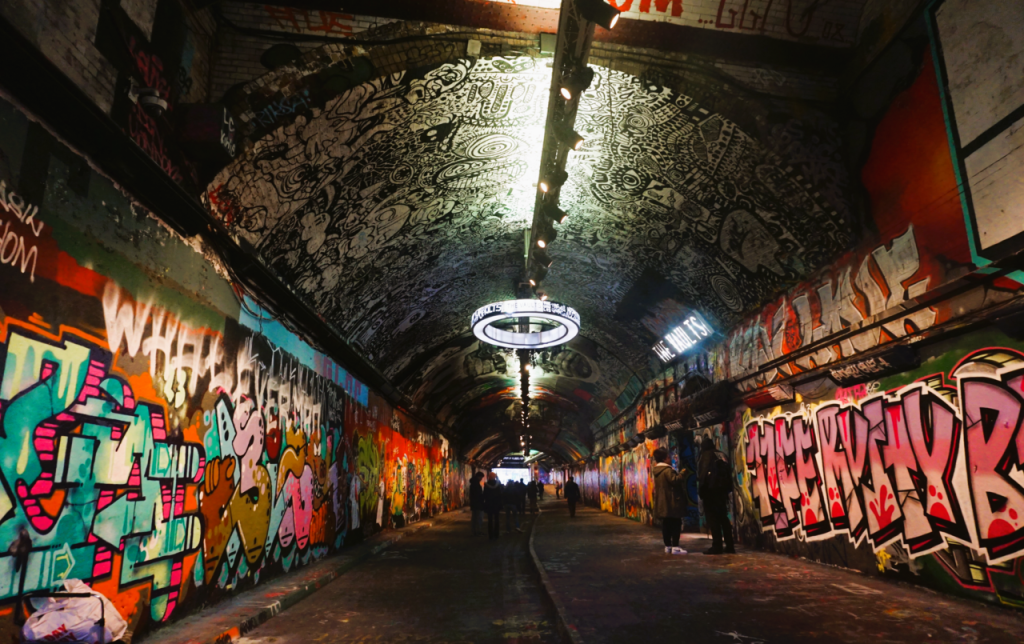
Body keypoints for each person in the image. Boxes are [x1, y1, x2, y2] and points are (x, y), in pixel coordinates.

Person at [698, 439, 735, 555]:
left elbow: (703, 475)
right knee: (723, 519)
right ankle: (730, 545)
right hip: (722, 492)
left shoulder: (705, 456)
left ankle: (717, 546)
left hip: (710, 492)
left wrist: (702, 492)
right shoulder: (721, 454)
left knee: (713, 520)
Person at [652, 447, 687, 555]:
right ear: (664, 459)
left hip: (663, 502)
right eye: (668, 457)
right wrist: (682, 473)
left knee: (666, 525)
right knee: (676, 523)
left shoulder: (657, 471)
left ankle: (668, 546)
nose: (670, 459)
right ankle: (675, 547)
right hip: (672, 502)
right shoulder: (667, 470)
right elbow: (675, 480)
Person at [483, 472, 503, 539]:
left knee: (490, 520)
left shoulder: (486, 484)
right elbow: (500, 495)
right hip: (496, 504)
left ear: (489, 477)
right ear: (494, 477)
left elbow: (484, 495)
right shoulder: (498, 485)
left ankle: (490, 535)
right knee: (496, 519)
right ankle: (496, 534)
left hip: (489, 504)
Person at [469, 472, 485, 536]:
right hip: (478, 503)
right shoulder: (476, 485)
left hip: (474, 503)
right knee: (478, 518)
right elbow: (478, 495)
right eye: (481, 477)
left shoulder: (473, 484)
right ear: (478, 476)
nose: (481, 479)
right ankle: (478, 531)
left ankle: (474, 531)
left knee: (474, 518)